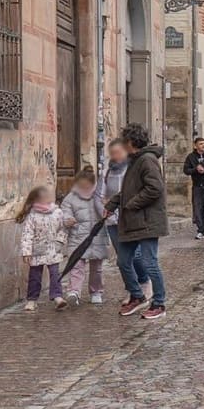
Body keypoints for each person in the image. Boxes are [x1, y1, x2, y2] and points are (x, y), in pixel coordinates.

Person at [108, 123, 169, 320]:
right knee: (124, 261)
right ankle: (136, 295)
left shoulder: (147, 160)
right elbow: (129, 190)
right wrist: (111, 204)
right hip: (133, 221)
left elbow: (155, 189)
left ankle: (159, 303)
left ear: (131, 142)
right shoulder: (135, 161)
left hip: (146, 221)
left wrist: (132, 204)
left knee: (149, 262)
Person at [103, 139, 150, 304]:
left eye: (118, 152)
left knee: (135, 255)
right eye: (112, 153)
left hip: (129, 217)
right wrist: (104, 205)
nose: (115, 156)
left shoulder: (133, 169)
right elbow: (100, 193)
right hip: (112, 220)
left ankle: (144, 281)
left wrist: (126, 204)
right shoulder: (107, 171)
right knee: (123, 258)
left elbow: (135, 191)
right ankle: (132, 290)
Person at [16, 185, 71, 311]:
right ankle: (32, 299)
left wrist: (60, 242)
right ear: (37, 200)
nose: (48, 198)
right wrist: (26, 252)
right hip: (37, 251)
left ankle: (57, 297)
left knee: (55, 274)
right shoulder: (32, 215)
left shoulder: (57, 212)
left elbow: (62, 228)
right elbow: (27, 234)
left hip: (53, 250)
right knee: (35, 276)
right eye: (44, 197)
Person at [60, 168, 109, 305]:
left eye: (87, 185)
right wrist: (67, 219)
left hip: (96, 237)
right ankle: (74, 292)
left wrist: (107, 207)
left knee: (97, 268)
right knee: (76, 265)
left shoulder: (99, 195)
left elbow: (108, 210)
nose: (84, 188)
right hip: (77, 237)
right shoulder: (70, 197)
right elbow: (64, 211)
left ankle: (96, 291)